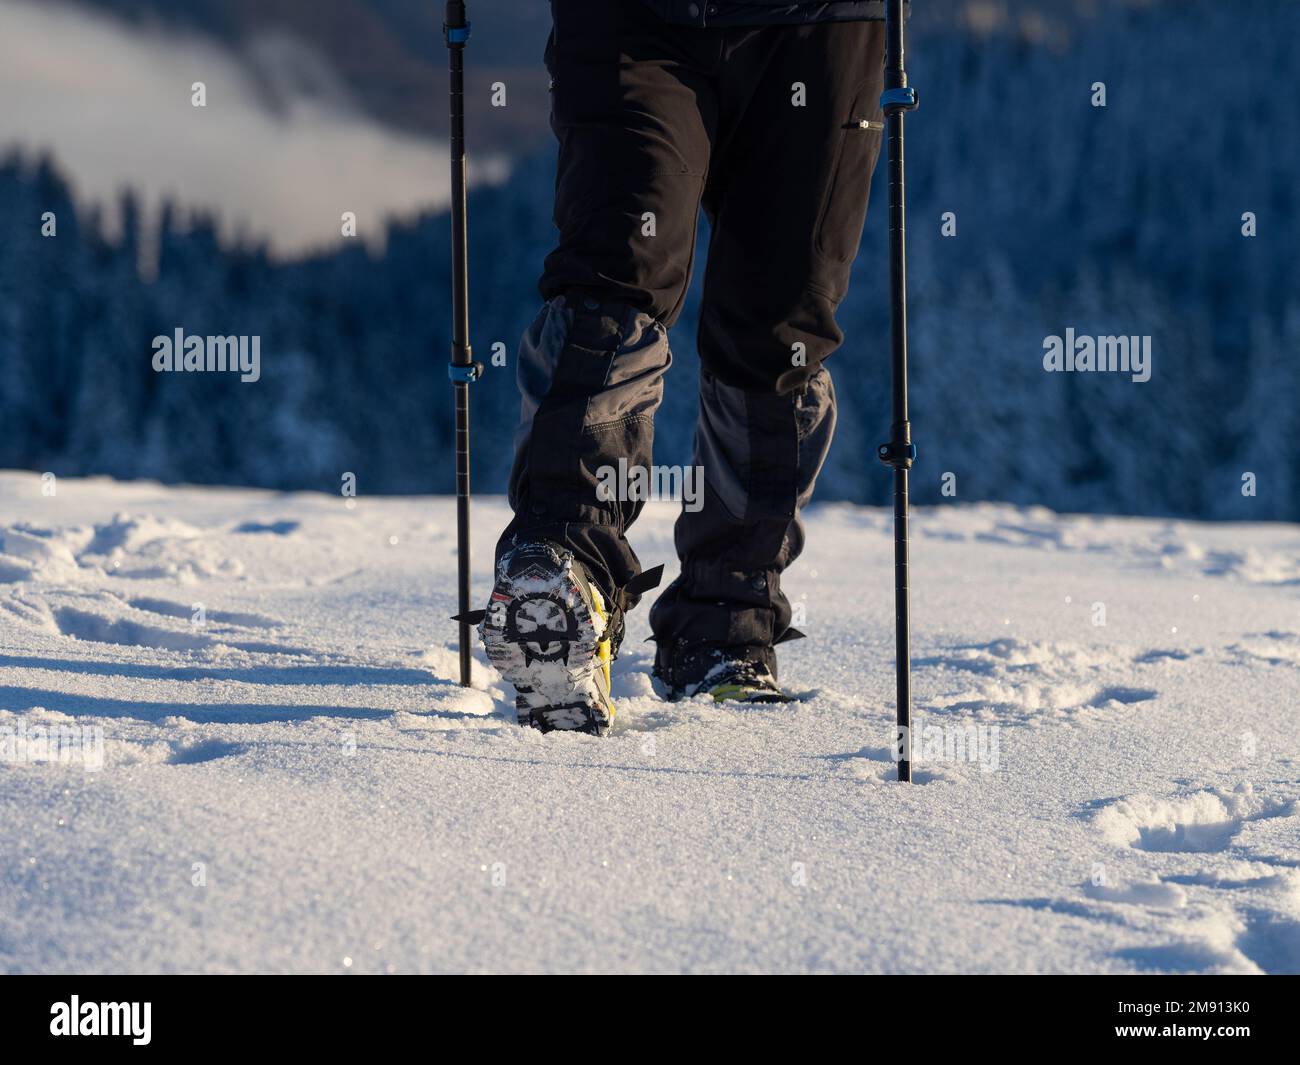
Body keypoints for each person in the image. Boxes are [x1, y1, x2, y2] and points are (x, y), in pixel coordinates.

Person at [479, 0, 895, 734]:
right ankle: (565, 569)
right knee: (616, 275)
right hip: (634, 20)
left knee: (781, 330)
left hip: (821, 26)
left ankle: (725, 627)